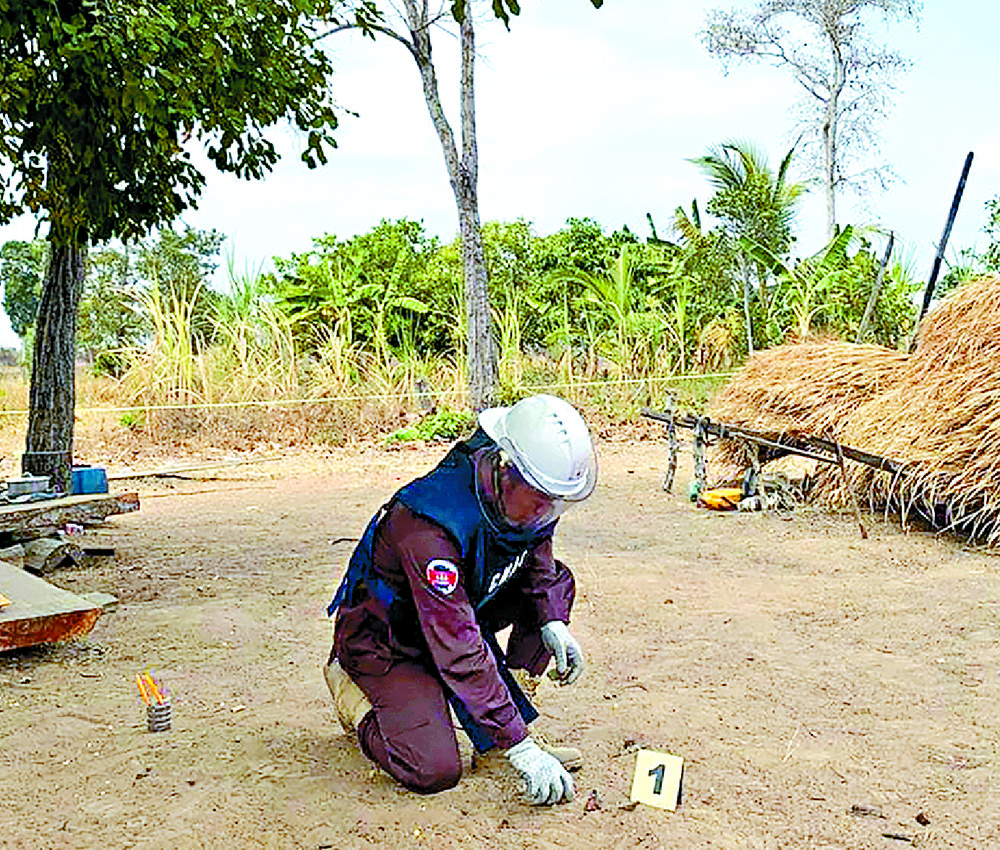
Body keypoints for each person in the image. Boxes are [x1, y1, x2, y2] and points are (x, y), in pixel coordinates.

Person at [324, 394, 596, 805]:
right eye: (544, 499)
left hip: (453, 612)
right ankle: (352, 694)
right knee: (433, 768)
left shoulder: (524, 499)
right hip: (390, 639)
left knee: (556, 585)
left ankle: (497, 739)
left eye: (558, 502)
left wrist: (551, 621)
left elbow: (537, 551)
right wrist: (522, 749)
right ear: (509, 472)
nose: (550, 512)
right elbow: (460, 646)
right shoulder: (430, 526)